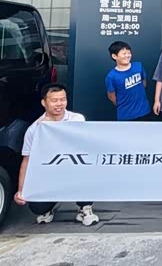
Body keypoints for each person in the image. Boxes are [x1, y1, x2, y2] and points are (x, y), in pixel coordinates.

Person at [14, 83, 99, 226]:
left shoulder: (77, 119)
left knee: (89, 173)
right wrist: (21, 190)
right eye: (54, 100)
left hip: (74, 169)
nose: (59, 104)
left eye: (63, 99)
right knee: (37, 207)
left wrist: (53, 128)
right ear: (44, 102)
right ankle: (47, 210)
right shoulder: (33, 129)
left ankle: (85, 208)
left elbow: (81, 144)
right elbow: (27, 160)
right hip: (49, 175)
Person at [105, 41, 151, 121]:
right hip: (126, 115)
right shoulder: (111, 76)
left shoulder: (138, 66)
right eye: (124, 54)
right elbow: (111, 96)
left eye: (129, 53)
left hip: (144, 111)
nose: (127, 55)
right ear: (114, 56)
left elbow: (144, 83)